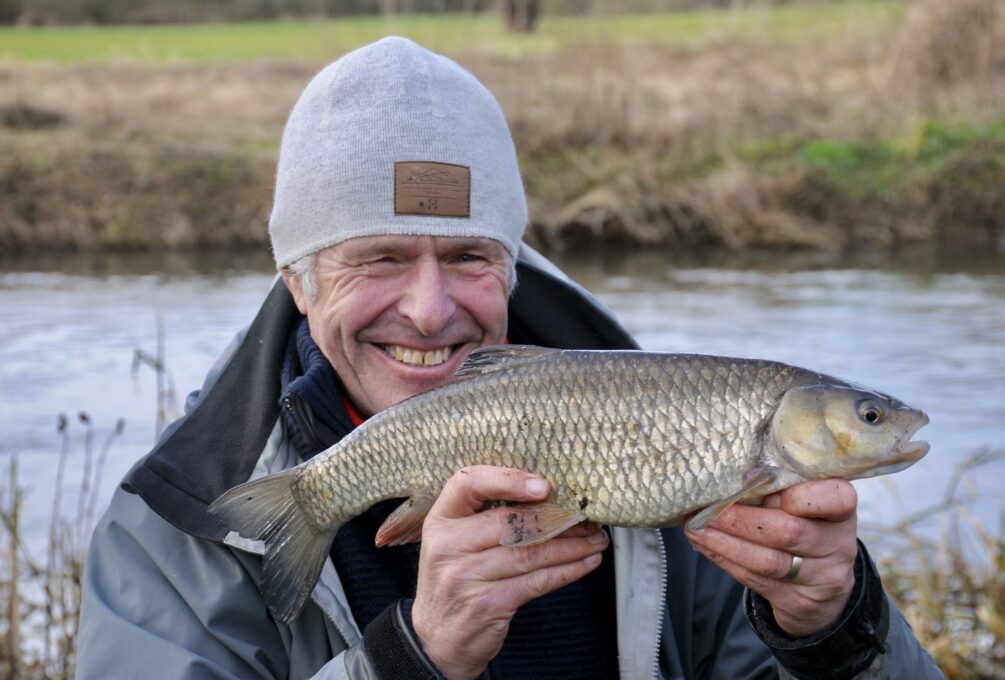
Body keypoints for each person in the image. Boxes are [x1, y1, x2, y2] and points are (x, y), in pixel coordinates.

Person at [77, 37, 941, 680]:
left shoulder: (677, 452)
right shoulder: (172, 527)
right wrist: (414, 661)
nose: (429, 308)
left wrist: (835, 628)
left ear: (511, 266)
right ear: (298, 283)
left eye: (467, 259)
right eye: (379, 258)